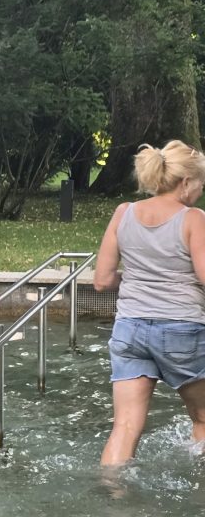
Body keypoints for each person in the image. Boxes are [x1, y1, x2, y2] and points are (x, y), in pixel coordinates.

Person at [94, 140, 205, 466]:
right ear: (185, 183)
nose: (201, 190)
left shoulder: (123, 213)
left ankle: (111, 497)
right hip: (181, 330)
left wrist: (136, 279)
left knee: (125, 427)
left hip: (129, 330)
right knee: (202, 419)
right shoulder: (193, 218)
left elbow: (102, 280)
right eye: (200, 183)